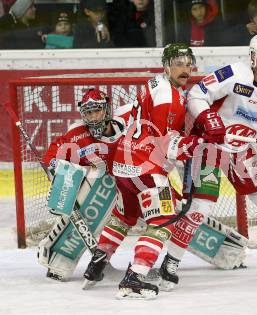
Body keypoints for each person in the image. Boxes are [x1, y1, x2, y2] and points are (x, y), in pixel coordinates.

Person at [158, 34, 257, 291]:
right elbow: (197, 94)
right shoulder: (234, 73)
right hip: (207, 145)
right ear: (253, 56)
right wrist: (211, 120)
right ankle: (170, 263)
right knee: (200, 209)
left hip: (241, 149)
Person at [83, 43, 205, 300]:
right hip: (145, 168)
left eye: (188, 63)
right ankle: (136, 276)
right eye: (178, 63)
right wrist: (190, 144)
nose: (185, 68)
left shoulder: (156, 84)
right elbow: (163, 144)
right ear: (166, 66)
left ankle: (97, 263)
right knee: (162, 220)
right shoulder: (169, 99)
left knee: (124, 216)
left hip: (123, 163)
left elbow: (134, 116)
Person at [39, 89, 131, 281]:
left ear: (106, 110)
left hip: (130, 183)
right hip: (102, 189)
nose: (92, 116)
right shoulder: (76, 132)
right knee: (92, 202)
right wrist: (57, 169)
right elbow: (52, 157)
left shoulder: (125, 124)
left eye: (96, 111)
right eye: (88, 112)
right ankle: (59, 259)